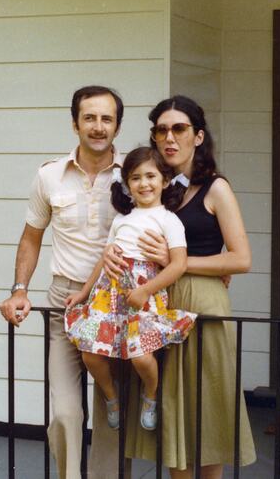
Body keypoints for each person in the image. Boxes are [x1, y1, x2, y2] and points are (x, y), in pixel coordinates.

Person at [106, 96, 257, 478]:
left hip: (202, 304)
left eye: (180, 129)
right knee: (172, 412)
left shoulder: (215, 188)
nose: (169, 137)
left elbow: (241, 258)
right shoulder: (154, 188)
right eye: (161, 129)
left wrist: (180, 262)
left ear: (198, 136)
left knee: (206, 411)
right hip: (159, 302)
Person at [0, 85, 126, 479]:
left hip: (117, 303)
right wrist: (19, 289)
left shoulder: (134, 175)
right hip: (64, 302)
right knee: (66, 411)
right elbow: (31, 237)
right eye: (89, 117)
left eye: (106, 118)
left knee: (111, 411)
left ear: (117, 125)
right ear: (75, 123)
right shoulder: (49, 175)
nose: (98, 126)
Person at [64, 146, 197, 432]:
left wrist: (146, 290)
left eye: (151, 176)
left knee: (140, 356)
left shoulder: (168, 220)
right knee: (90, 352)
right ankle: (111, 397)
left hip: (143, 297)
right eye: (136, 178)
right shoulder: (121, 219)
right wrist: (84, 292)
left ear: (164, 180)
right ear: (127, 185)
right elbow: (105, 258)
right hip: (108, 296)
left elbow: (178, 265)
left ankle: (150, 394)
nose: (144, 183)